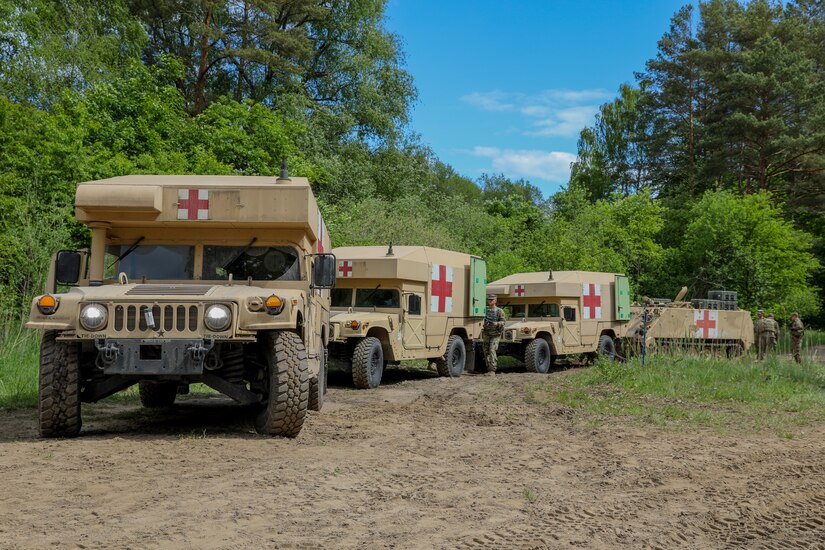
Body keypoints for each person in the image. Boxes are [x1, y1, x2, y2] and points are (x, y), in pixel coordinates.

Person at [482, 294, 505, 375]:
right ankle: (488, 368)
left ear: (495, 301)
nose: (490, 301)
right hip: (487, 333)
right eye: (489, 300)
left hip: (495, 334)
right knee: (486, 351)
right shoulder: (485, 309)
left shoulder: (499, 311)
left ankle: (492, 369)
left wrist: (497, 323)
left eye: (492, 300)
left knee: (492, 350)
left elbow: (503, 322)